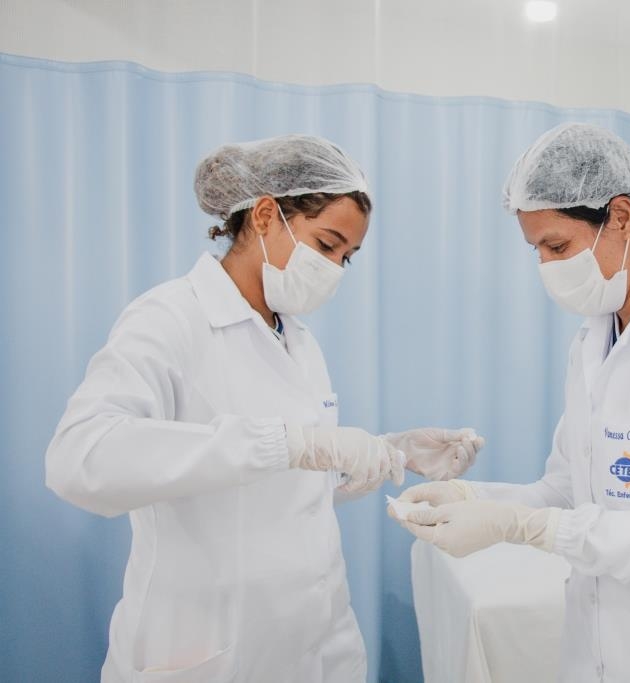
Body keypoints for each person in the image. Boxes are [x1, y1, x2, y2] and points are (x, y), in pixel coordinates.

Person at [45, 134, 483, 682]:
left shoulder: (297, 340)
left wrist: (391, 453)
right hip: (211, 648)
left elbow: (292, 484)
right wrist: (291, 443)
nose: (336, 268)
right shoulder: (170, 318)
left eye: (347, 256)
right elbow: (80, 458)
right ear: (265, 215)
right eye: (327, 244)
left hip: (316, 641)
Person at [393, 123, 630, 682]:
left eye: (557, 247)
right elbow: (566, 489)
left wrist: (524, 528)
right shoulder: (594, 340)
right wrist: (472, 497)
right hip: (597, 655)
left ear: (621, 217)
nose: (546, 268)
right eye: (537, 251)